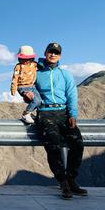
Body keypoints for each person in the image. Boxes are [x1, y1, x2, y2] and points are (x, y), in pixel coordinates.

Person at [22, 42, 87, 199]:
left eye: (56, 53)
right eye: (50, 51)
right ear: (45, 53)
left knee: (77, 144)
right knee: (53, 147)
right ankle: (63, 182)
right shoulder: (35, 72)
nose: (53, 54)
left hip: (63, 113)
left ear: (60, 56)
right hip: (45, 113)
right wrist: (25, 94)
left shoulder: (65, 74)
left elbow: (72, 95)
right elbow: (24, 87)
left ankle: (71, 180)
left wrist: (72, 114)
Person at [10, 45, 42, 124]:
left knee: (40, 101)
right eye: (23, 59)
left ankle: (33, 114)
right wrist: (13, 89)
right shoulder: (18, 66)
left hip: (32, 86)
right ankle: (26, 114)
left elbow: (42, 66)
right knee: (36, 100)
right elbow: (15, 78)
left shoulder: (34, 64)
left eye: (27, 59)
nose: (25, 61)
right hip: (23, 87)